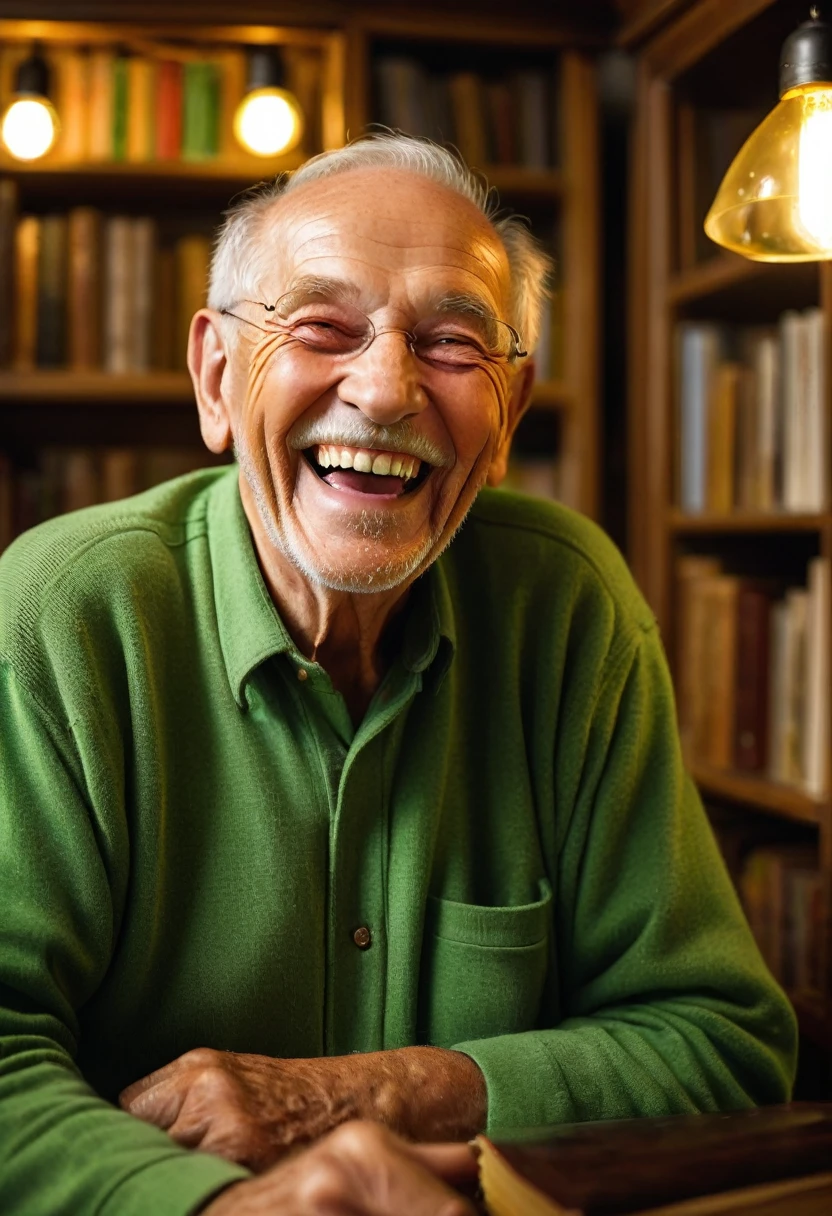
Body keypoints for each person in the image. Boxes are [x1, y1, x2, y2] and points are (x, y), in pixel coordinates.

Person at [0, 134, 796, 1216]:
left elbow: (720, 1040)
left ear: (509, 413)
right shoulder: (62, 614)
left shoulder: (569, 607)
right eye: (322, 325)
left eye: (454, 341)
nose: (384, 388)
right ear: (217, 377)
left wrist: (372, 1094)